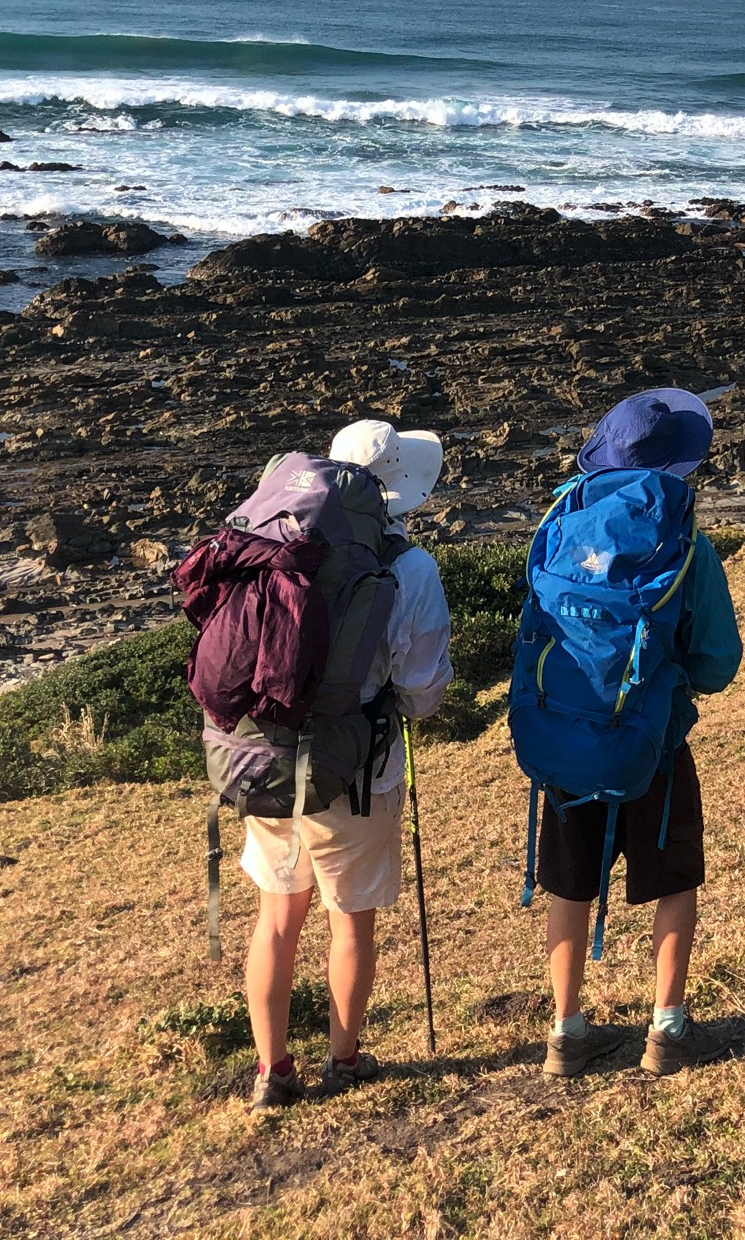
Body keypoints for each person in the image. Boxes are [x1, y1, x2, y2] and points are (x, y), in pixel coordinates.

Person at [239, 420, 453, 1109]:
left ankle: (272, 1071)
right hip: (357, 770)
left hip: (264, 754)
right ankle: (344, 1058)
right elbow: (422, 696)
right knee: (348, 921)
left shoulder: (279, 540)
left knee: (277, 918)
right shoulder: (411, 567)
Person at [531, 389, 742, 1079]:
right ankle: (667, 1029)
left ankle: (565, 1033)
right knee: (674, 878)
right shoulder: (687, 547)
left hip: (565, 740)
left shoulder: (559, 526)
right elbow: (718, 664)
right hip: (656, 744)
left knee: (570, 886)